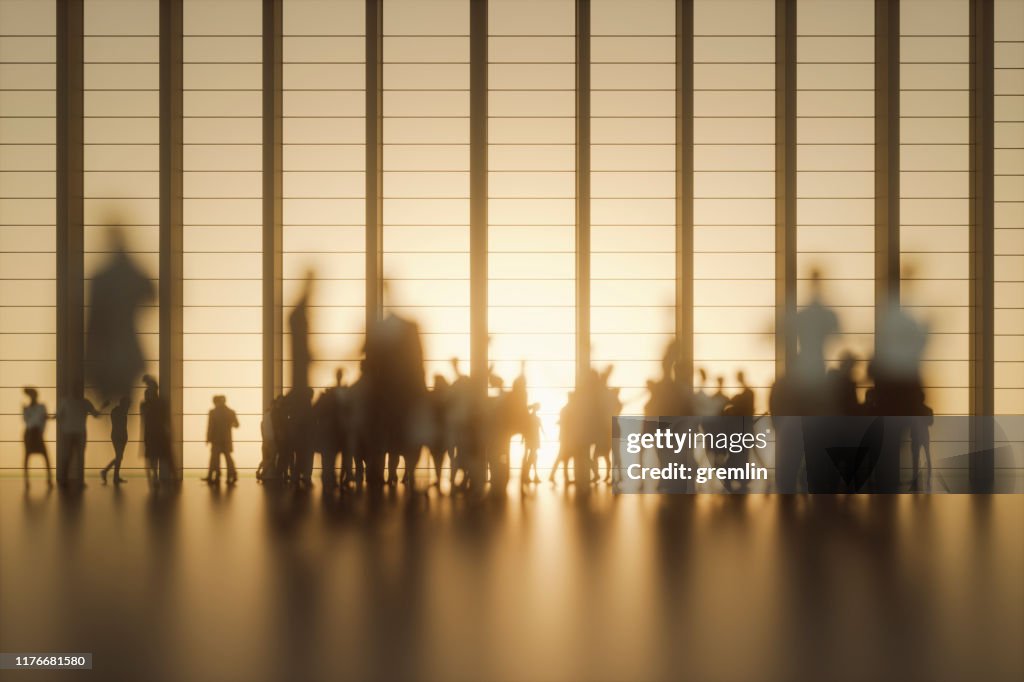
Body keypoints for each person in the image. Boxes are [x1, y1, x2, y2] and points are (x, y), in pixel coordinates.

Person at [56, 385, 101, 486]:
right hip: (80, 433)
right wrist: (102, 407)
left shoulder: (66, 401)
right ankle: (79, 481)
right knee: (79, 457)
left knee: (68, 456)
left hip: (69, 433)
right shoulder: (85, 402)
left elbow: (58, 417)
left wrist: (64, 426)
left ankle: (64, 480)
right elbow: (96, 414)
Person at [204, 395, 239, 485]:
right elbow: (236, 424)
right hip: (226, 439)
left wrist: (208, 438)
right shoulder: (230, 412)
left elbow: (210, 427)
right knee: (228, 458)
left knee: (214, 459)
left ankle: (214, 476)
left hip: (216, 440)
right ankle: (231, 475)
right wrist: (230, 424)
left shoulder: (213, 412)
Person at [22, 387, 52, 488]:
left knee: (43, 455)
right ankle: (27, 480)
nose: (32, 397)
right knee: (29, 456)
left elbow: (44, 418)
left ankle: (48, 479)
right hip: (30, 433)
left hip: (35, 434)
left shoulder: (41, 407)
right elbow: (26, 421)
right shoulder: (28, 408)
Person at [101, 395, 130, 484]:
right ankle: (106, 471)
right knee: (119, 456)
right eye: (127, 404)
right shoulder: (117, 411)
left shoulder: (119, 411)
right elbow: (118, 424)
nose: (128, 406)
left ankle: (115, 476)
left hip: (121, 436)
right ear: (123, 404)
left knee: (119, 457)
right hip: (118, 436)